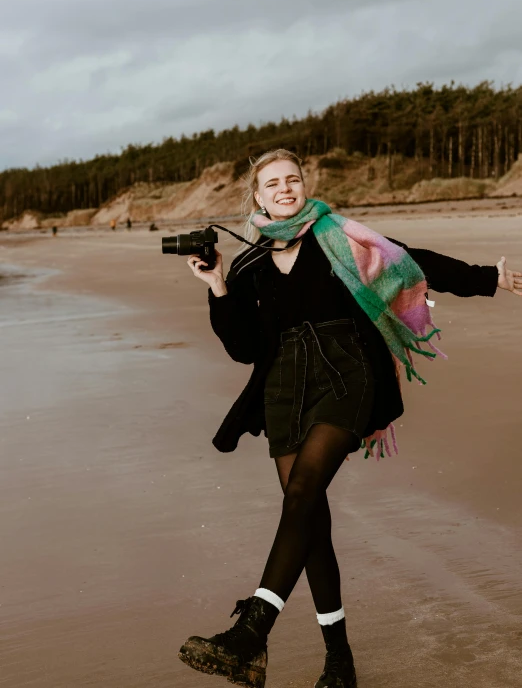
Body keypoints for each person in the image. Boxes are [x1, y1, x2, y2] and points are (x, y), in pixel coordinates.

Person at [178, 149, 521, 688]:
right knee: (309, 520)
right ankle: (340, 663)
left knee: (303, 490)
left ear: (303, 185)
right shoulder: (246, 264)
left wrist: (487, 278)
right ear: (258, 198)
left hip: (348, 372)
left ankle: (252, 632)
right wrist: (218, 286)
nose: (285, 189)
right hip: (283, 387)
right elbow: (244, 348)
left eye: (293, 179)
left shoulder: (339, 236)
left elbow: (411, 261)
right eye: (273, 184)